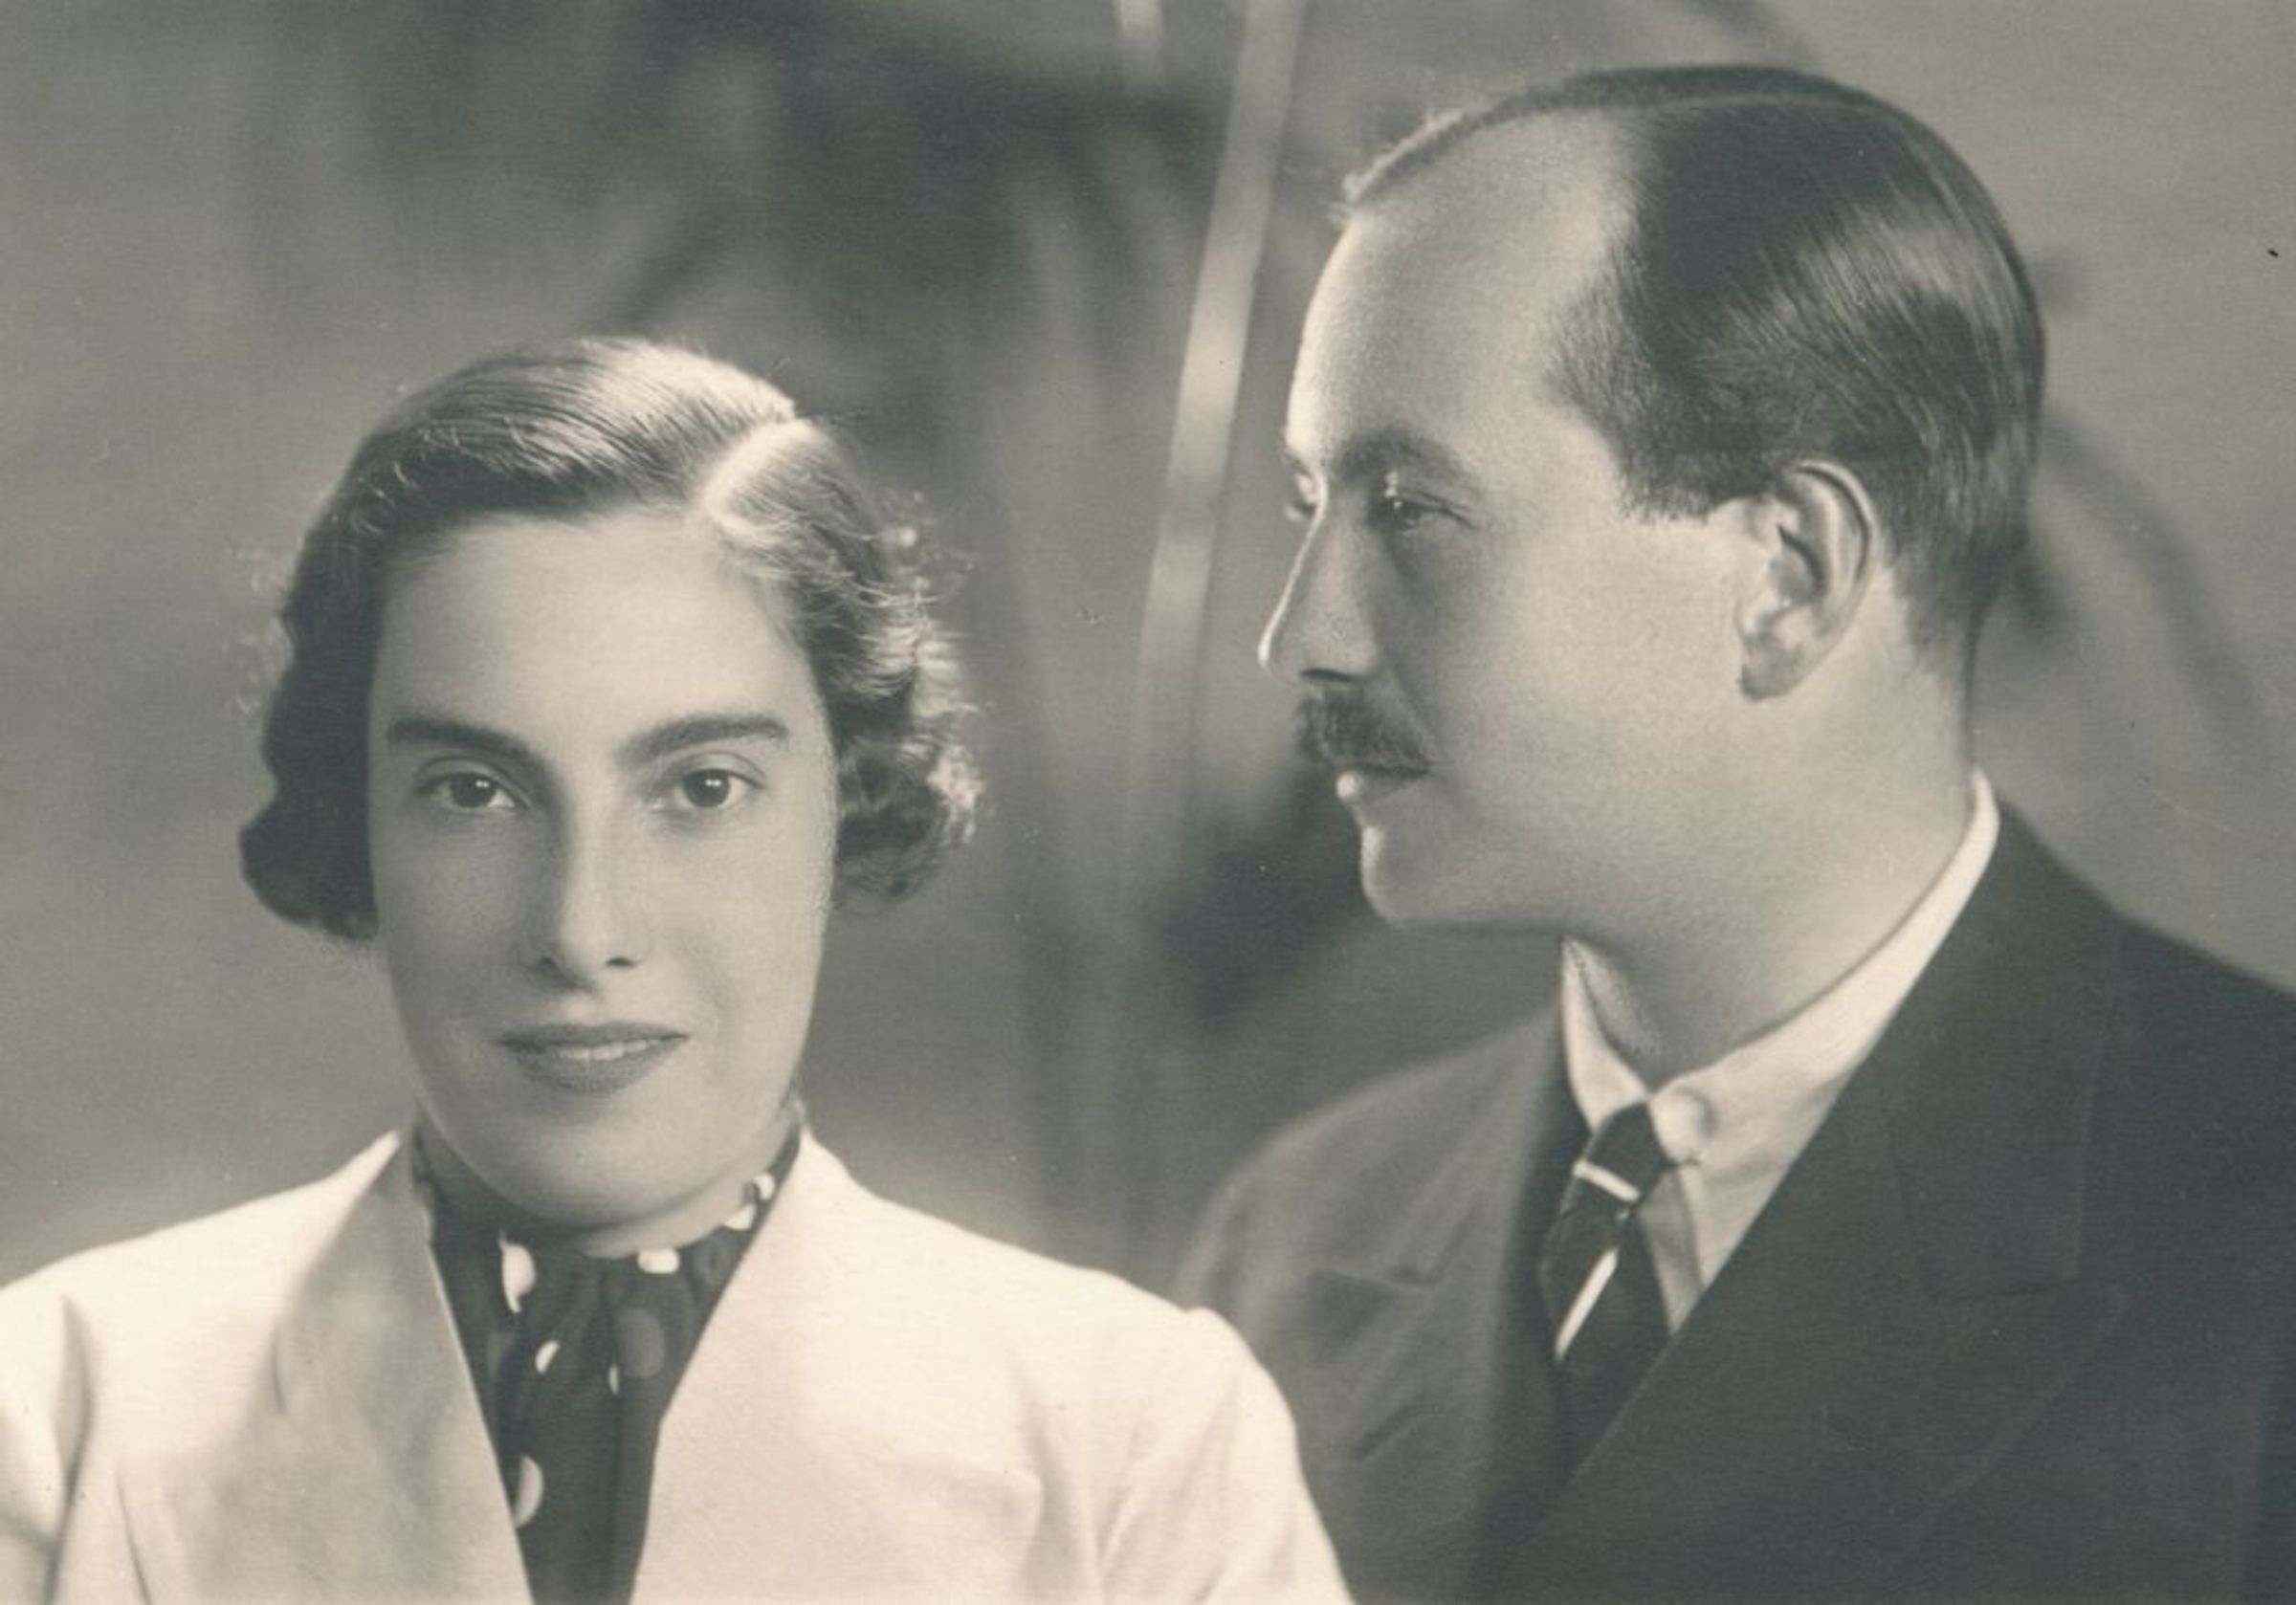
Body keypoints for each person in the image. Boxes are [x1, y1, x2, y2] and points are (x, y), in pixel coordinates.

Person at [1178, 65, 2296, 1603]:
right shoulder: (1295, 1241)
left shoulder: (2254, 1223)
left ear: (1789, 574)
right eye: (1309, 498)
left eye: (1409, 507)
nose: (1300, 636)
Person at [0, 338, 1344, 1603]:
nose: (581, 927)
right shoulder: (57, 1408)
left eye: (702, 787)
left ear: (850, 798)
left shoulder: (1139, 1445)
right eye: (473, 789)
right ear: (358, 818)